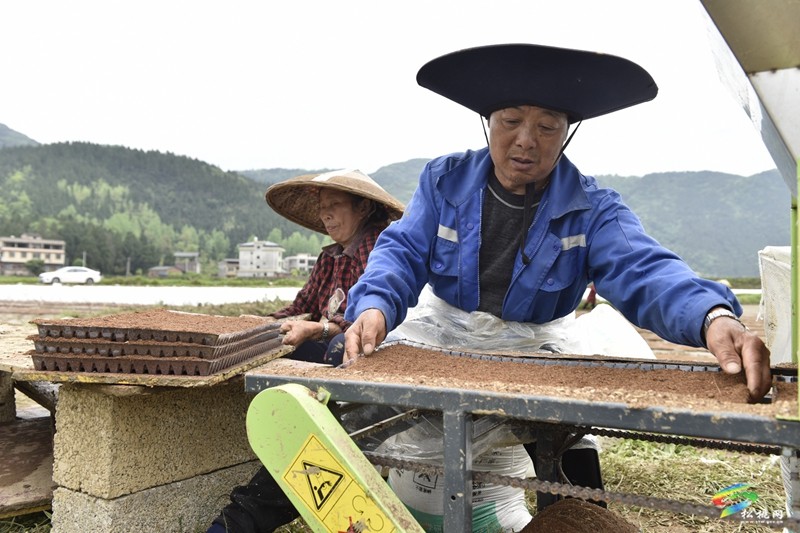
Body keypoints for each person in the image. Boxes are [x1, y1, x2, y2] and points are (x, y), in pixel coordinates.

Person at [343, 43, 772, 508]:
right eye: (510, 121)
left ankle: (575, 516)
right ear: (488, 123)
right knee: (350, 414)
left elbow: (645, 270)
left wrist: (711, 316)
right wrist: (374, 304)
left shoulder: (593, 209)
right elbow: (402, 250)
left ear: (566, 134)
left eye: (547, 126)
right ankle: (253, 511)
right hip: (441, 340)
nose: (526, 139)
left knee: (568, 457)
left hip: (536, 353)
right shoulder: (444, 180)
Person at [208, 169, 404, 533]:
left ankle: (297, 455)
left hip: (368, 361)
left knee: (333, 349)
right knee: (272, 345)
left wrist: (319, 328)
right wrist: (257, 322)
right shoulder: (330, 258)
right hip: (328, 355)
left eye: (335, 206)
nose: (326, 215)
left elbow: (368, 326)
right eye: (322, 208)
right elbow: (302, 307)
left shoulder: (383, 248)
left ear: (362, 207)